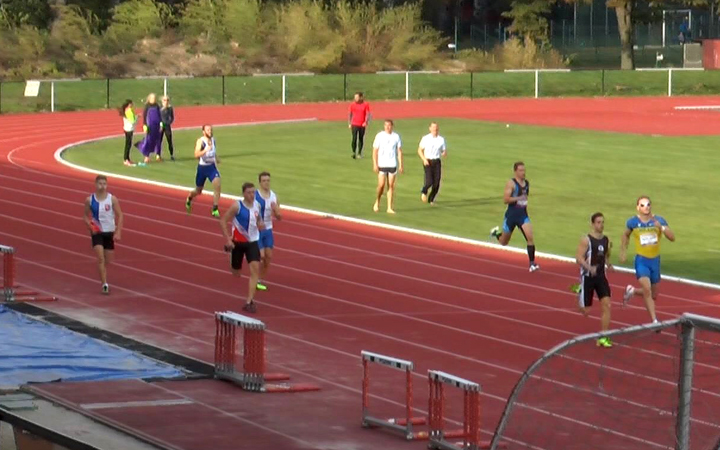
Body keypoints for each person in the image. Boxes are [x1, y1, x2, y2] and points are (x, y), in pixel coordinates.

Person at [620, 196, 675, 324]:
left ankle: (632, 291)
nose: (646, 207)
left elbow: (672, 238)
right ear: (637, 207)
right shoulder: (633, 222)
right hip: (641, 261)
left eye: (648, 204)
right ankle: (654, 321)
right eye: (642, 205)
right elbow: (625, 235)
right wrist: (623, 251)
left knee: (653, 294)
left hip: (655, 261)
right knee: (647, 288)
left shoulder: (659, 220)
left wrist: (661, 227)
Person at [220, 182, 265, 313]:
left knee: (255, 270)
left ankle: (249, 301)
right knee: (236, 273)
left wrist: (260, 224)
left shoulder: (257, 205)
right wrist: (228, 240)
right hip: (238, 243)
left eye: (253, 192)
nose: (252, 195)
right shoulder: (237, 206)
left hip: (252, 242)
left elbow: (259, 219)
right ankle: (230, 254)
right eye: (249, 192)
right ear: (244, 194)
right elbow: (223, 220)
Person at [489, 162, 540, 272]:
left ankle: (532, 264)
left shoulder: (527, 183)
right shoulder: (511, 184)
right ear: (515, 171)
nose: (523, 173)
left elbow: (525, 200)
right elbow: (506, 200)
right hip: (511, 216)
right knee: (504, 242)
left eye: (524, 170)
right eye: (521, 170)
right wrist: (518, 198)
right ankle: (496, 233)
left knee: (530, 238)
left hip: (523, 216)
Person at [573, 212, 614, 348]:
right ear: (592, 224)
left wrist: (609, 264)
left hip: (601, 277)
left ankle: (603, 337)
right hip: (588, 277)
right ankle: (580, 291)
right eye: (598, 222)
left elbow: (606, 255)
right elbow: (578, 258)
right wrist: (589, 268)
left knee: (607, 305)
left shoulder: (607, 240)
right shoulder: (586, 240)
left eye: (602, 222)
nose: (601, 225)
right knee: (586, 311)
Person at [83, 175, 123, 295]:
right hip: (97, 232)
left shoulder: (112, 199)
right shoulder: (90, 200)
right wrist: (90, 226)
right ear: (96, 184)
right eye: (100, 184)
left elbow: (120, 215)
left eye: (104, 184)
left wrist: (118, 231)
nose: (102, 186)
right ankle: (104, 284)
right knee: (100, 258)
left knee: (108, 259)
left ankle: (102, 270)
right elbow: (85, 216)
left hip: (109, 232)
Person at [186, 124, 222, 218]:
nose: (210, 131)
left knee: (217, 185)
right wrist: (205, 150)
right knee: (198, 191)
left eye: (211, 129)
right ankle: (190, 197)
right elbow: (196, 154)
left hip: (211, 168)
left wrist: (217, 158)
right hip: (202, 168)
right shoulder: (201, 141)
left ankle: (215, 209)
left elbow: (213, 152)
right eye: (208, 130)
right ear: (203, 132)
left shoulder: (213, 140)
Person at [255, 171, 282, 291]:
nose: (266, 183)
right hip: (256, 230)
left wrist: (276, 211)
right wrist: (257, 222)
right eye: (264, 181)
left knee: (268, 257)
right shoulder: (255, 196)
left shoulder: (274, 197)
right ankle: (254, 277)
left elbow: (279, 217)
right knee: (261, 256)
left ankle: (259, 280)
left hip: (268, 230)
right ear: (260, 182)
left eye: (268, 180)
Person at [372, 119, 404, 214]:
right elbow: (375, 151)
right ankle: (377, 201)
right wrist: (375, 164)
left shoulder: (396, 136)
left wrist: (401, 164)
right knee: (381, 185)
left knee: (391, 186)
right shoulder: (379, 136)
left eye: (389, 125)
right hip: (382, 163)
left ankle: (389, 207)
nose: (387, 127)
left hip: (392, 163)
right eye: (386, 125)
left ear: (392, 126)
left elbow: (399, 151)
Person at [417, 122, 447, 205]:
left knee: (436, 183)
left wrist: (444, 153)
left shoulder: (441, 139)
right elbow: (419, 150)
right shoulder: (425, 138)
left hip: (437, 162)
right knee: (429, 182)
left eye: (436, 127)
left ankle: (431, 199)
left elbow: (443, 150)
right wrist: (424, 159)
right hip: (428, 161)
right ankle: (424, 191)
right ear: (430, 128)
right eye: (433, 127)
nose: (435, 129)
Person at [134, 93, 163, 165]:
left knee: (158, 141)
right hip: (150, 126)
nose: (154, 99)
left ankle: (158, 155)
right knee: (149, 141)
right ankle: (146, 156)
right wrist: (145, 126)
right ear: (149, 99)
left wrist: (161, 124)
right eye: (152, 98)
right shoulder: (147, 106)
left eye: (154, 98)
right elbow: (144, 116)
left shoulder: (157, 106)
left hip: (157, 126)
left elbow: (160, 116)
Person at [349, 92, 371, 159]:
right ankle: (353, 152)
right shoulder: (352, 105)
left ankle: (359, 153)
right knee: (354, 138)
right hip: (354, 124)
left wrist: (366, 122)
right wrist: (350, 123)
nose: (355, 98)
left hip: (362, 124)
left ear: (361, 97)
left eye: (357, 97)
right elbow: (350, 114)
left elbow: (368, 114)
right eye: (355, 97)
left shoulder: (365, 104)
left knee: (361, 138)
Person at [120, 99, 137, 167]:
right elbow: (132, 121)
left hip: (127, 128)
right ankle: (126, 159)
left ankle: (127, 158)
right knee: (128, 145)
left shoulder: (126, 110)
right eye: (131, 104)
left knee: (128, 144)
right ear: (129, 104)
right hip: (129, 129)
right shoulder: (129, 111)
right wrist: (137, 117)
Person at [160, 96, 175, 161]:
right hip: (160, 126)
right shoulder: (159, 108)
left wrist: (169, 122)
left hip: (167, 126)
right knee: (159, 141)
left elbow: (172, 117)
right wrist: (160, 124)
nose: (166, 102)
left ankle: (171, 155)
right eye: (164, 100)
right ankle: (158, 155)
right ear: (162, 101)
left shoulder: (170, 108)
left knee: (169, 140)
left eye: (167, 100)